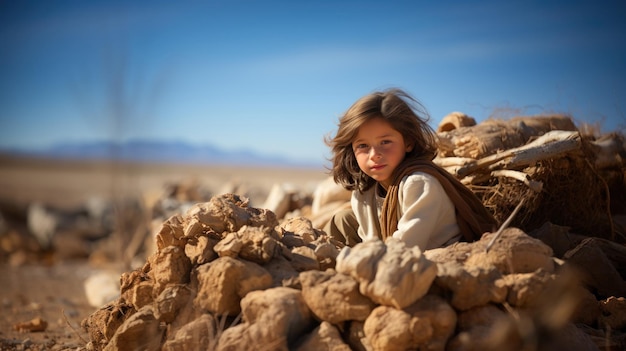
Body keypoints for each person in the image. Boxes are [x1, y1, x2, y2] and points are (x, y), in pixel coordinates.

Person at [324, 88, 497, 250]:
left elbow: (404, 247)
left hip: (434, 261)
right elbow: (372, 242)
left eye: (385, 142)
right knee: (342, 220)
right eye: (363, 145)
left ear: (408, 142)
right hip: (390, 252)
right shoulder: (364, 193)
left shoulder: (419, 184)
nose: (374, 155)